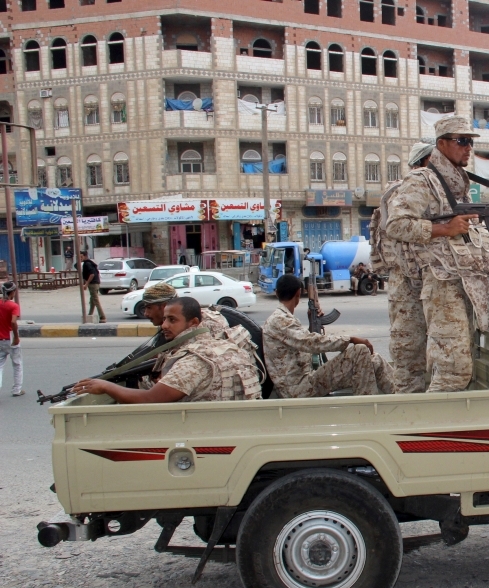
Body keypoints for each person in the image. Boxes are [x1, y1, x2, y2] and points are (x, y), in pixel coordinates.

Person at [384, 117, 489, 392]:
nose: (468, 148)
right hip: (441, 282)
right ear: (442, 144)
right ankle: (433, 429)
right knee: (454, 372)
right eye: (461, 141)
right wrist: (442, 229)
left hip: (463, 282)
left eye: (470, 142)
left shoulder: (458, 184)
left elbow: (466, 230)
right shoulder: (422, 180)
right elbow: (396, 225)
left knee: (460, 368)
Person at [71, 297, 262, 403]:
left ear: (194, 323)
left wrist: (106, 386)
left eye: (172, 320)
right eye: (164, 319)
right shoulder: (226, 347)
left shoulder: (195, 360)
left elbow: (151, 399)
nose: (164, 326)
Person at [262, 274, 394, 398]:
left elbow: (300, 343)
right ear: (298, 293)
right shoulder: (279, 320)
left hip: (303, 383)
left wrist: (312, 324)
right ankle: (365, 409)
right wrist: (350, 339)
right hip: (299, 388)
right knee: (360, 351)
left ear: (277, 293)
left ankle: (403, 395)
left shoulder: (281, 319)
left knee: (374, 360)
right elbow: (311, 343)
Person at [370, 141, 434, 393]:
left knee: (426, 358)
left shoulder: (411, 190)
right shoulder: (406, 192)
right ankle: (409, 420)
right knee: (409, 359)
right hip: (409, 282)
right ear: (423, 162)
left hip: (415, 281)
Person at [140, 282, 230, 339]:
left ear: (164, 306)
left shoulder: (197, 327)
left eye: (149, 308)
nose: (146, 314)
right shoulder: (169, 326)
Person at [0, 281, 24, 397]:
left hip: (0, 339)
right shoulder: (13, 306)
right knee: (17, 364)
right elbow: (13, 322)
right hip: (10, 338)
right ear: (12, 292)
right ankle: (16, 390)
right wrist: (16, 337)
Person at [76, 250, 106, 323]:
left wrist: (86, 284)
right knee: (92, 301)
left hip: (93, 284)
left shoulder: (88, 264)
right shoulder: (89, 263)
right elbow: (76, 265)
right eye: (79, 257)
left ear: (85, 256)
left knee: (95, 300)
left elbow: (92, 274)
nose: (80, 258)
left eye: (81, 256)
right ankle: (90, 315)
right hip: (96, 283)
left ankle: (102, 317)